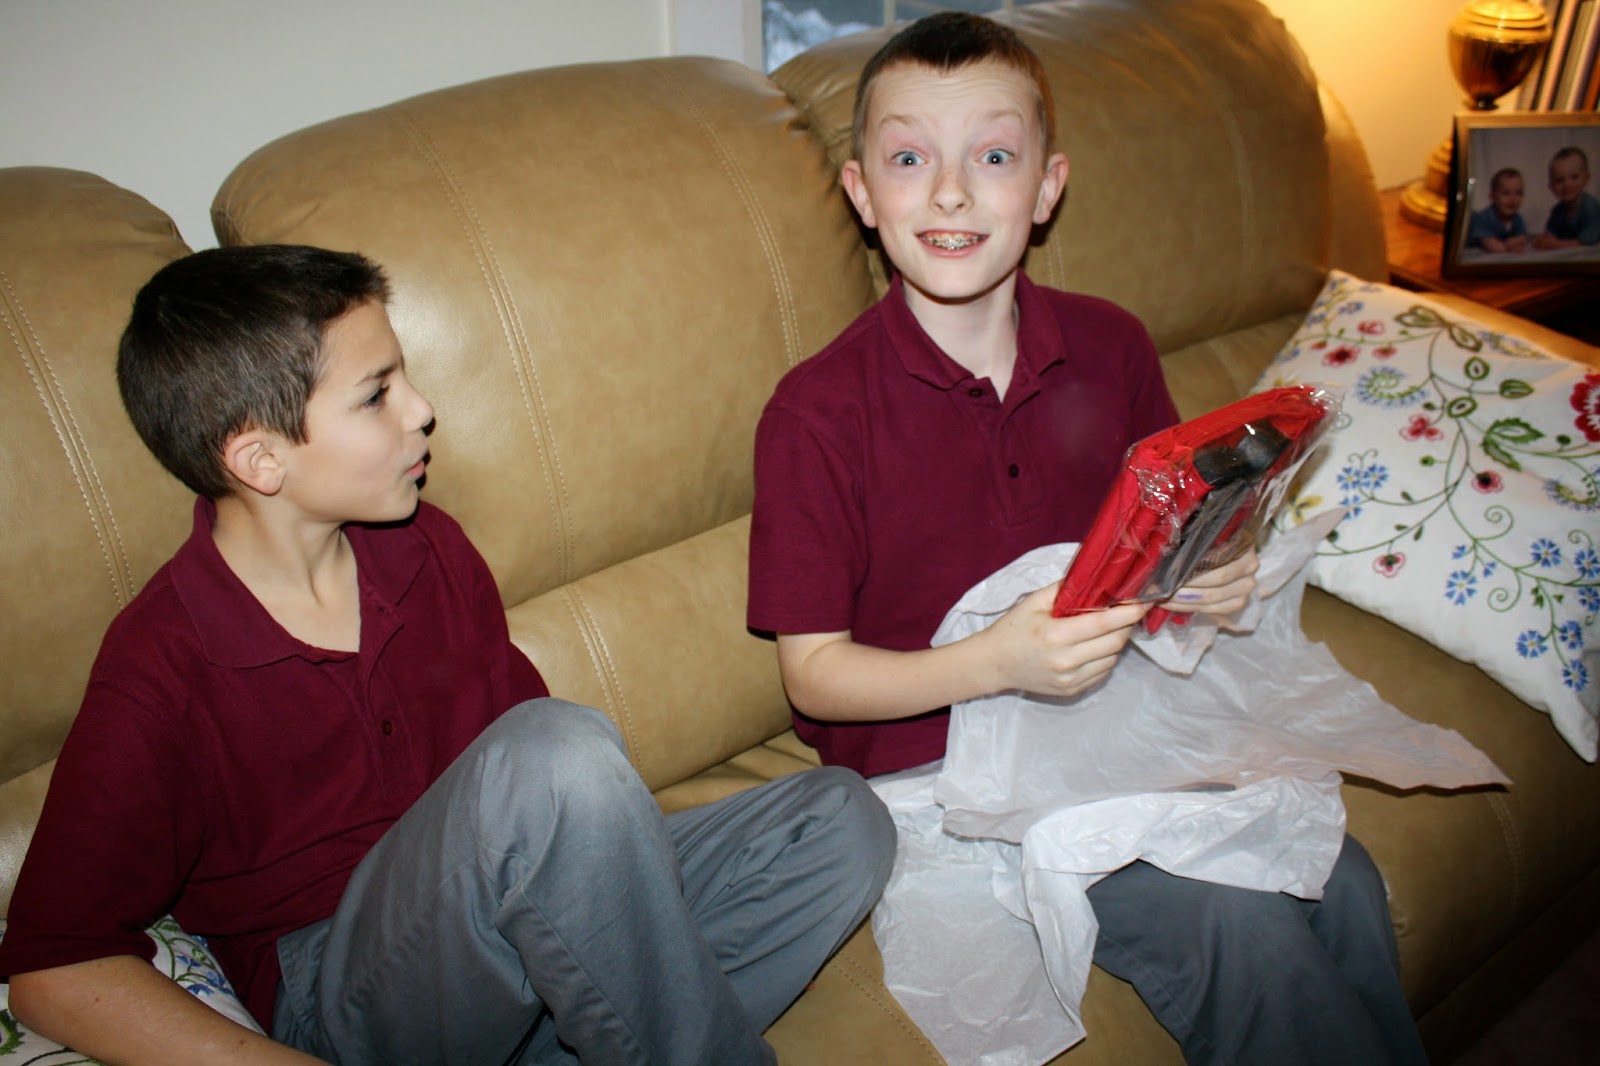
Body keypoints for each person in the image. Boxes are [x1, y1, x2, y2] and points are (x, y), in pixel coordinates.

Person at [0, 244, 895, 1066]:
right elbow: (52, 967)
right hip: (340, 989)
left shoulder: (427, 550)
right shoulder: (162, 669)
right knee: (555, 756)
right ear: (260, 460)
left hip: (500, 933)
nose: (422, 408)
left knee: (841, 821)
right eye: (376, 394)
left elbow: (537, 817)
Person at [746, 13, 1427, 1066]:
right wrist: (994, 662)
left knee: (1338, 876)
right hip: (948, 783)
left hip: (1123, 726)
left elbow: (1163, 540)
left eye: (993, 156)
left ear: (1047, 188)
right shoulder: (815, 414)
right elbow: (813, 676)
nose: (951, 192)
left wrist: (1212, 571)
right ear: (861, 193)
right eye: (910, 158)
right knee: (1241, 932)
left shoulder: (1111, 345)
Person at [1533, 145, 1600, 249]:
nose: (1567, 185)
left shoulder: (1591, 207)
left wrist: (1556, 244)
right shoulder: (1557, 211)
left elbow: (1587, 242)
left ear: (1586, 179)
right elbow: (1551, 233)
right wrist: (1544, 240)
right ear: (1551, 187)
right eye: (1559, 180)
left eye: (1574, 177)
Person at [1466, 166, 1528, 252]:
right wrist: (1506, 248)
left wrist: (1516, 241)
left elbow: (1523, 237)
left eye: (1518, 193)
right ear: (1492, 197)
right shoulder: (1485, 218)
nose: (1513, 199)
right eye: (1506, 193)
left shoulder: (1516, 218)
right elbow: (1488, 243)